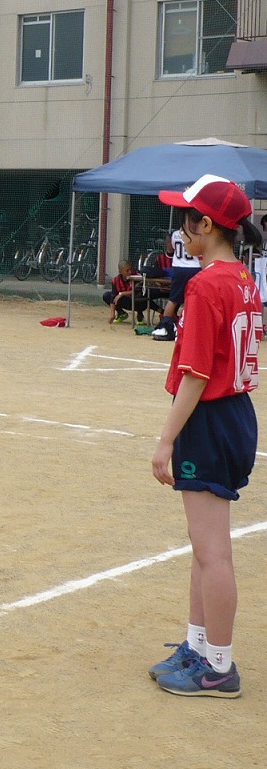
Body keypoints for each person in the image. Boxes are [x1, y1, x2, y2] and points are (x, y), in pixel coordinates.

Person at [148, 175, 263, 698]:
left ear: (207, 224)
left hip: (211, 418)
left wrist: (165, 439)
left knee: (212, 551)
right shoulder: (242, 276)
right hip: (236, 412)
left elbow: (195, 372)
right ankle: (199, 648)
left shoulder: (207, 283)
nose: (181, 228)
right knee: (203, 546)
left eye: (187, 218)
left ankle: (219, 665)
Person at [154, 219, 203, 341]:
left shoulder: (176, 234)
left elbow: (171, 251)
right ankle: (187, 327)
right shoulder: (197, 234)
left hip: (178, 268)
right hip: (194, 268)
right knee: (191, 299)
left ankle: (165, 326)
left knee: (173, 299)